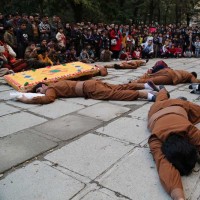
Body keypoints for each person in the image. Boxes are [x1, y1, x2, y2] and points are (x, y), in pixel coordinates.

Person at [148, 88, 200, 200]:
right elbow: (164, 165)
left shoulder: (187, 128)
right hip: (157, 110)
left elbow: (163, 164)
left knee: (161, 98)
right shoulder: (155, 139)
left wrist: (179, 198)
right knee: (161, 98)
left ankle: (162, 89)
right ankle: (162, 90)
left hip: (161, 108)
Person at [17, 79, 159, 104]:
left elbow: (48, 99)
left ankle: (146, 95)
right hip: (91, 83)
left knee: (113, 94)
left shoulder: (50, 88)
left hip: (88, 89)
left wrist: (27, 99)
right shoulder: (54, 83)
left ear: (42, 87)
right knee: (118, 87)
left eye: (40, 90)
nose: (41, 92)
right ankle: (145, 85)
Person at [133, 60, 200, 84]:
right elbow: (195, 81)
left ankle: (137, 79)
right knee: (153, 80)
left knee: (152, 75)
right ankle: (136, 81)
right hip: (171, 77)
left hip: (167, 71)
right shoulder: (190, 75)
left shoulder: (183, 72)